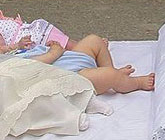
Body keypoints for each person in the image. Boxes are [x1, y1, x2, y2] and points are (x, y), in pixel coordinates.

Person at [12, 34, 155, 95]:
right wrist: (53, 52)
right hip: (73, 76)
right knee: (110, 76)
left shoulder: (14, 52)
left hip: (71, 58)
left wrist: (20, 46)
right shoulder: (10, 66)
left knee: (94, 40)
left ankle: (110, 70)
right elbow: (34, 66)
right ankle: (135, 83)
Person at [0, 10, 76, 53]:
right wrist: (17, 46)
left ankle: (84, 48)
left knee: (69, 44)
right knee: (65, 52)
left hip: (33, 29)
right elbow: (2, 50)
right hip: (29, 43)